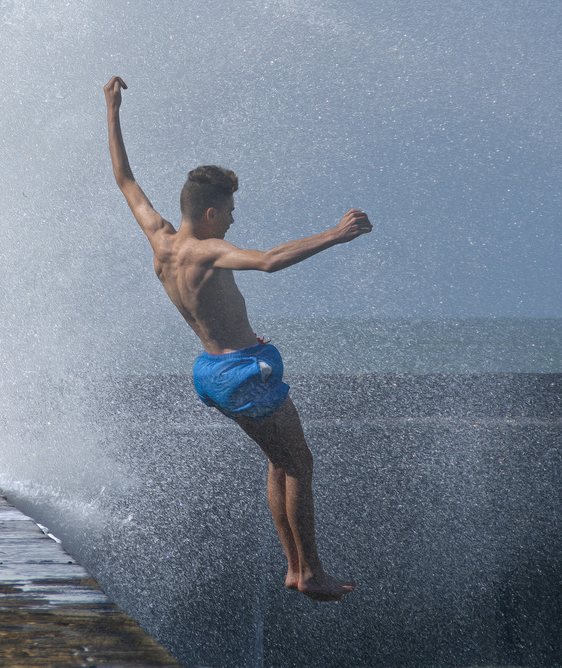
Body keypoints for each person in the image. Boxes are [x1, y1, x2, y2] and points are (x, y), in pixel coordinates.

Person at [103, 75, 370, 602]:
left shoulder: (160, 240)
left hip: (212, 371)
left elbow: (124, 180)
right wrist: (336, 235)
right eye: (228, 210)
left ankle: (295, 568)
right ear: (209, 213)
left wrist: (111, 109)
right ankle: (311, 570)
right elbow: (269, 261)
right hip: (243, 371)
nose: (232, 217)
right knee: (300, 463)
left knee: (279, 460)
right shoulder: (206, 250)